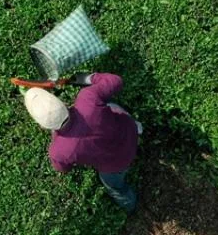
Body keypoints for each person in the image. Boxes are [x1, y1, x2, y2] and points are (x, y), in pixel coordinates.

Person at [23, 72, 142, 212]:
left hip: (116, 166)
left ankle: (132, 207)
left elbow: (63, 169)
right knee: (109, 105)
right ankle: (140, 128)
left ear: (42, 126)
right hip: (130, 133)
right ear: (63, 103)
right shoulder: (88, 99)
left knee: (116, 187)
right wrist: (88, 78)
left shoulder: (58, 152)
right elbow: (116, 80)